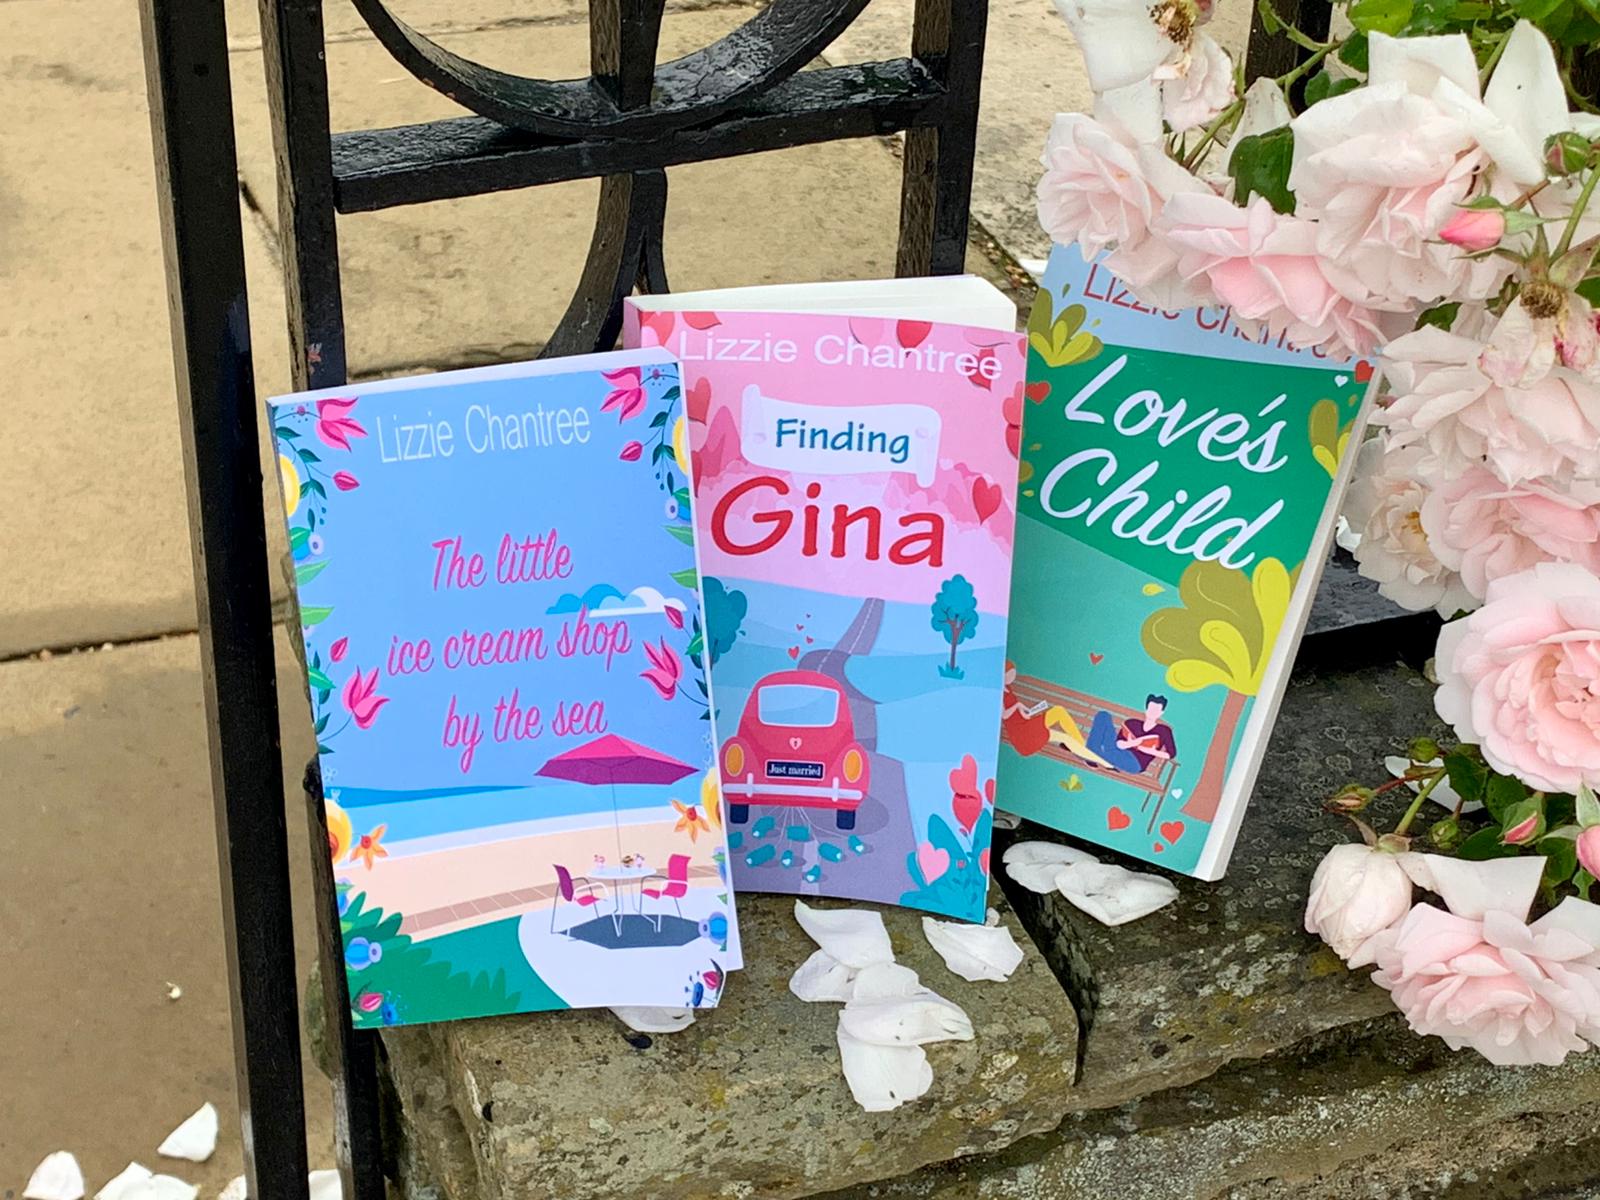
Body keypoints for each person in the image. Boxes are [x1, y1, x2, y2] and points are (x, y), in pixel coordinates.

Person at [1000, 662, 1109, 767]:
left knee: (1059, 713)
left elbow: (1015, 710)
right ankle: (1086, 751)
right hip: (1022, 734)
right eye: (1010, 674)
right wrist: (1017, 705)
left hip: (1025, 723)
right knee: (1064, 735)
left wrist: (1026, 711)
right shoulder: (999, 693)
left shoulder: (1008, 688)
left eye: (1013, 674)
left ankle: (1084, 750)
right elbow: (1004, 715)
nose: (1012, 677)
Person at [1085, 694, 1177, 775]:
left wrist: (1150, 751)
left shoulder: (1164, 731)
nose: (1152, 712)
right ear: (1146, 709)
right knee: (1103, 715)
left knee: (1109, 753)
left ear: (1161, 713)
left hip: (1135, 763)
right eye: (1151, 709)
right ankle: (1094, 752)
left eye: (1156, 710)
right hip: (1117, 750)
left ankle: (1092, 754)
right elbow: (1118, 744)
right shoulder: (1132, 723)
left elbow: (1171, 754)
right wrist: (1131, 744)